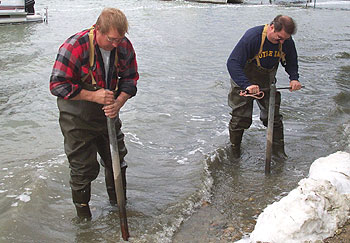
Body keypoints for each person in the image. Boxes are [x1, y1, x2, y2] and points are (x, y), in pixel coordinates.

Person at [50, 8, 139, 220]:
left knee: (117, 159)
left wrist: (118, 102)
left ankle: (118, 206)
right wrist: (93, 96)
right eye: (112, 39)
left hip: (109, 114)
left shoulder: (123, 45)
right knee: (82, 169)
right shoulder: (74, 46)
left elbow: (130, 78)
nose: (117, 44)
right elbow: (57, 85)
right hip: (77, 117)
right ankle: (84, 221)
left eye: (120, 39)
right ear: (97, 29)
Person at [226, 15, 302, 159]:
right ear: (272, 27)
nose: (282, 41)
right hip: (243, 80)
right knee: (240, 118)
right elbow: (232, 63)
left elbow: (291, 60)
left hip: (267, 82)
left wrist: (294, 78)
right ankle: (234, 153)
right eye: (279, 38)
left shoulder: (286, 41)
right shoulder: (252, 37)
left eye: (285, 39)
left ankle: (278, 153)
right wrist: (247, 85)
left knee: (273, 118)